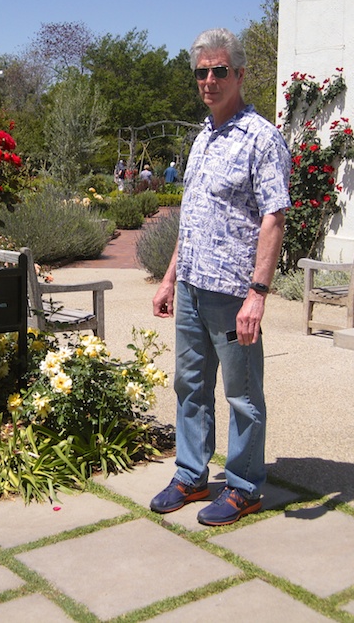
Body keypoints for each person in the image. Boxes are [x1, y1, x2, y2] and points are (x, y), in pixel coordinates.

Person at [149, 28, 291, 526]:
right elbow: (192, 217)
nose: (209, 80)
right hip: (190, 286)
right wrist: (169, 279)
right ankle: (190, 474)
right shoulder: (203, 137)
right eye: (201, 72)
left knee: (243, 393)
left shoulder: (262, 139)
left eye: (219, 71)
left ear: (240, 75)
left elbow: (274, 217)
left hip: (233, 293)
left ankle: (246, 486)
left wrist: (258, 294)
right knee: (189, 385)